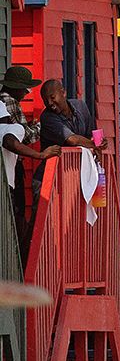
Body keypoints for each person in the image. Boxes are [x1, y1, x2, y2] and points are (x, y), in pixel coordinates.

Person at [0, 66, 58, 257]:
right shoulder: (9, 102)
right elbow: (21, 138)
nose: (27, 93)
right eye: (25, 88)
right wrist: (45, 125)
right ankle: (17, 262)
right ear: (16, 88)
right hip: (9, 169)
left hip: (10, 167)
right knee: (15, 214)